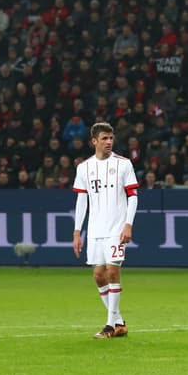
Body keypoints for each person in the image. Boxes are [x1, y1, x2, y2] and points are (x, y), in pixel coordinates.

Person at [72, 122, 140, 339]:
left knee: (112, 271)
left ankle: (110, 325)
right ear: (94, 141)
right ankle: (119, 322)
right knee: (98, 276)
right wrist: (77, 231)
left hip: (116, 228)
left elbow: (133, 197)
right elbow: (82, 200)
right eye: (104, 138)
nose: (109, 142)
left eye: (111, 138)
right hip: (95, 230)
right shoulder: (84, 168)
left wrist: (128, 224)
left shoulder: (124, 164)